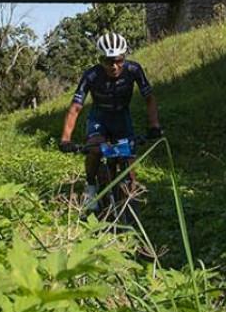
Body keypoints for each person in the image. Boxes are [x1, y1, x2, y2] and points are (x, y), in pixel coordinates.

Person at [59, 31, 163, 207]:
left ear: (124, 57)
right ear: (100, 59)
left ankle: (130, 201)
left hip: (122, 116)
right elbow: (75, 107)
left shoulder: (134, 70)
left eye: (118, 60)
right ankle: (91, 186)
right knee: (96, 149)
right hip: (99, 117)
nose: (114, 66)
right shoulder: (91, 75)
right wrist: (65, 139)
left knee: (128, 158)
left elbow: (150, 99)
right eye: (108, 61)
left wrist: (154, 125)